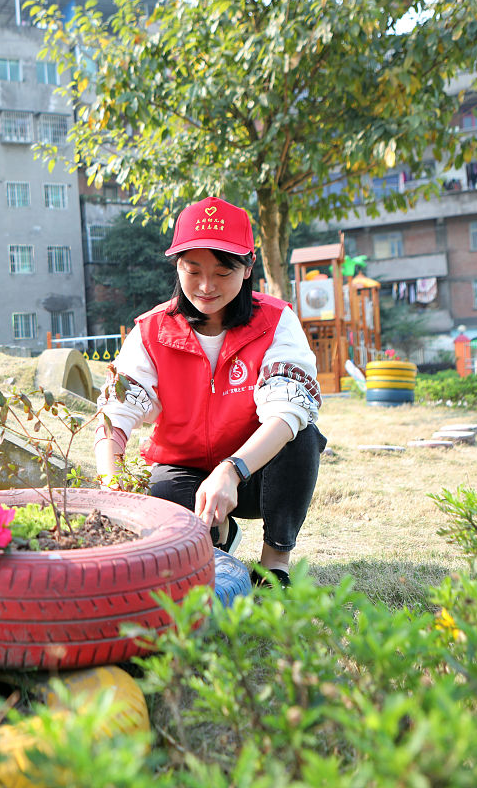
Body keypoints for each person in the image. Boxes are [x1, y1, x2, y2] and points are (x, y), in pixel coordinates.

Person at [94, 197, 325, 587]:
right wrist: (111, 487)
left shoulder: (276, 322)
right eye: (193, 269)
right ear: (176, 265)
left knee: (301, 433)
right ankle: (216, 537)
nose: (205, 286)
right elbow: (114, 414)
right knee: (163, 494)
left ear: (249, 267)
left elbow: (287, 411)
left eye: (223, 272)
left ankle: (274, 565)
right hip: (183, 471)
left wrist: (232, 470)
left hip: (255, 473)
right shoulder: (152, 331)